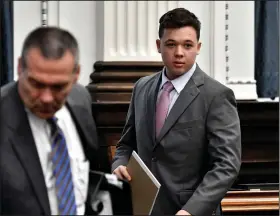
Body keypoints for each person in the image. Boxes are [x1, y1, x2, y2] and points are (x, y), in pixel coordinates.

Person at [112, 8, 241, 216]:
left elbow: (226, 165)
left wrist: (191, 210)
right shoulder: (142, 88)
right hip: (143, 208)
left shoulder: (216, 95)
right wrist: (118, 165)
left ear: (198, 47)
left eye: (187, 45)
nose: (179, 52)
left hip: (189, 211)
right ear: (158, 45)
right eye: (171, 44)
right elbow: (126, 145)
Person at [0, 26, 100, 215]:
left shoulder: (81, 99)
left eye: (58, 87)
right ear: (20, 67)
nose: (46, 98)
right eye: (36, 84)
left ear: (76, 75)